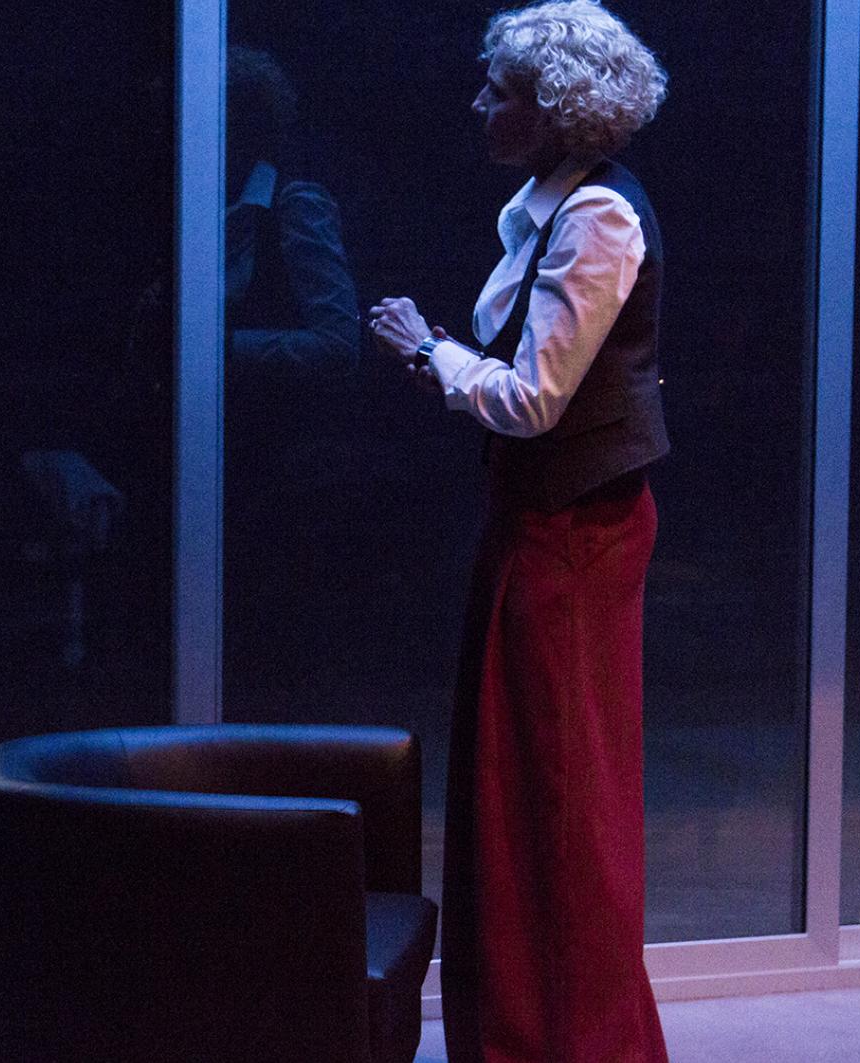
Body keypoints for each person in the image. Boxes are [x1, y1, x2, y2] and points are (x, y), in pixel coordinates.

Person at [367, 2, 671, 1059]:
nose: (478, 105)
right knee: (518, 794)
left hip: (577, 534)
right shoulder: (545, 208)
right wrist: (446, 357)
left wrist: (428, 353)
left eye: (497, 91)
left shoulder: (598, 218)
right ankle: (519, 1032)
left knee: (561, 800)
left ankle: (574, 1040)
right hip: (537, 521)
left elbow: (534, 401)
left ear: (551, 109)